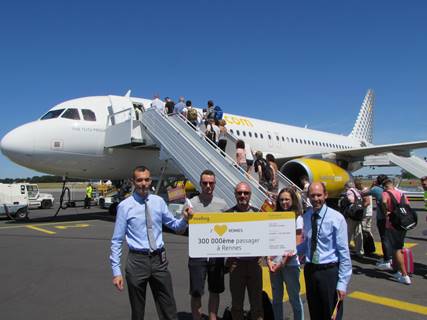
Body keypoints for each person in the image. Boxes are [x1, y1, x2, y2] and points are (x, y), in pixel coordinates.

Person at [110, 166, 190, 320]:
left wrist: (185, 219)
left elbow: (174, 225)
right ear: (133, 181)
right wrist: (116, 272)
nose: (143, 183)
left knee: (169, 309)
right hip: (137, 261)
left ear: (150, 180)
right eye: (139, 180)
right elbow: (117, 240)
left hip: (159, 260)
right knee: (138, 311)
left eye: (146, 179)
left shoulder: (158, 202)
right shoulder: (125, 206)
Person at [297, 182, 352, 320]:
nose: (316, 199)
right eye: (312, 195)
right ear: (308, 196)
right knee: (315, 313)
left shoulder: (336, 218)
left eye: (319, 195)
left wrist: (342, 283)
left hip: (329, 272)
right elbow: (306, 245)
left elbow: (344, 253)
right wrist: (287, 251)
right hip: (310, 271)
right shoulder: (307, 216)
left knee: (331, 314)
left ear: (325, 195)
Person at [188, 170, 228, 320]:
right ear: (200, 184)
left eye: (211, 183)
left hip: (216, 255)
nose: (208, 186)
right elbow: (181, 228)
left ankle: (213, 318)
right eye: (205, 183)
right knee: (196, 291)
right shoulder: (192, 204)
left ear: (215, 184)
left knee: (215, 290)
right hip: (197, 254)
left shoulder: (222, 204)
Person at [225, 182, 263, 320]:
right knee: (236, 304)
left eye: (245, 193)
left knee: (257, 305)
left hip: (254, 264)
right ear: (235, 194)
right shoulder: (227, 215)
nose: (242, 196)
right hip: (236, 265)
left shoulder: (259, 214)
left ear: (250, 195)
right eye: (239, 193)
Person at [267, 187, 304, 320]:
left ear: (292, 200)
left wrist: (282, 263)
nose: (284, 202)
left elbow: (297, 244)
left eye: (287, 199)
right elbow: (268, 240)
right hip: (274, 264)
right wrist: (269, 260)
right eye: (281, 199)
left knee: (294, 298)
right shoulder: (274, 216)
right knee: (276, 299)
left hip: (291, 264)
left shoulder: (297, 218)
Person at [382, 179, 411, 285]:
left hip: (393, 223)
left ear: (385, 186)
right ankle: (397, 270)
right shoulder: (401, 193)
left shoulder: (386, 193)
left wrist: (387, 211)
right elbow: (408, 205)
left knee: (396, 249)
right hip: (403, 223)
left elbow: (384, 201)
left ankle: (404, 275)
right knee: (398, 246)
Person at [365, 175, 393, 270]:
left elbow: (363, 193)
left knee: (384, 238)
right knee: (391, 238)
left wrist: (372, 185)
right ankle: (391, 257)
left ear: (378, 181)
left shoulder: (376, 189)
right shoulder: (391, 189)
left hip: (382, 218)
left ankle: (387, 259)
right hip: (393, 217)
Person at [340, 181, 364, 257]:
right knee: (358, 233)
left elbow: (351, 200)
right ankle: (359, 251)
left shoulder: (349, 191)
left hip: (352, 215)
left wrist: (345, 199)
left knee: (348, 233)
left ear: (347, 186)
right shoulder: (357, 191)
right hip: (359, 214)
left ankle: (345, 251)